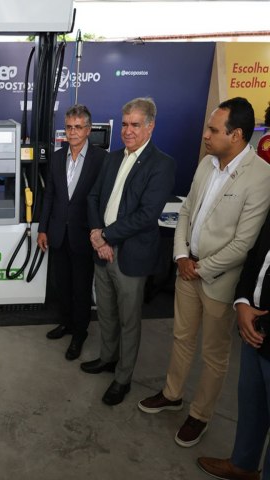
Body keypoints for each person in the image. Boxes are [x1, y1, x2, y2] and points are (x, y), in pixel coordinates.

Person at [139, 97, 270, 448]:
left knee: (214, 353)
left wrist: (200, 268)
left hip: (218, 281)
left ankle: (200, 414)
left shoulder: (261, 176)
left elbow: (243, 243)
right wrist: (182, 255)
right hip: (187, 269)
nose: (205, 135)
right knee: (181, 338)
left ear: (236, 135)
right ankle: (172, 394)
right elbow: (185, 212)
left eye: (213, 130)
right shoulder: (206, 163)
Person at [84, 97, 175, 406]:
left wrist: (106, 236)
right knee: (106, 312)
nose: (127, 130)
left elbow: (146, 215)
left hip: (130, 256)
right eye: (124, 124)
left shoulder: (161, 164)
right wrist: (98, 236)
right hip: (102, 250)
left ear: (150, 127)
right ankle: (107, 358)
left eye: (135, 124)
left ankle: (123, 378)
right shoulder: (111, 159)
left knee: (129, 320)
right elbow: (93, 197)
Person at [196, 210, 270, 480]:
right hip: (253, 326)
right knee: (252, 404)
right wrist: (243, 302)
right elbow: (256, 255)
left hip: (261, 324)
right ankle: (242, 465)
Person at [38, 104, 106, 360]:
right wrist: (43, 229)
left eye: (78, 127)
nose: (73, 132)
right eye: (69, 127)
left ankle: (80, 333)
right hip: (58, 234)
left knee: (81, 288)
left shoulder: (101, 160)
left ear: (88, 130)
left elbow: (102, 200)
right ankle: (66, 323)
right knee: (62, 285)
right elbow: (49, 196)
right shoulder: (57, 157)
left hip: (84, 236)